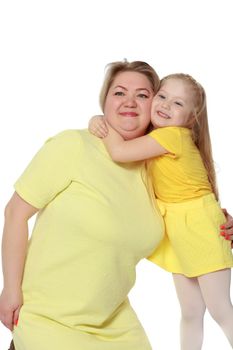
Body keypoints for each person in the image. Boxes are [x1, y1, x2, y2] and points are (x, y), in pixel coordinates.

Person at [0, 61, 165, 350]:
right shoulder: (73, 146)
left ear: (155, 106)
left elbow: (180, 229)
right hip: (48, 320)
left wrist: (218, 225)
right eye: (119, 93)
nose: (130, 102)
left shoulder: (156, 173)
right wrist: (10, 289)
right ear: (104, 101)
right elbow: (15, 213)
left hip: (116, 329)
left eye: (142, 95)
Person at [89, 73, 233, 349]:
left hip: (198, 225)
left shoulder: (172, 136)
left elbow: (118, 152)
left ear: (191, 118)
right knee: (190, 312)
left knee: (220, 310)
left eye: (178, 103)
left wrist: (100, 122)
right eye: (163, 96)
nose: (166, 105)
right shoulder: (156, 136)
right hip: (179, 228)